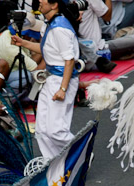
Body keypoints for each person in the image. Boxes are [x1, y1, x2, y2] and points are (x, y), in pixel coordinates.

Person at [12, 0, 80, 159]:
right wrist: (23, 43)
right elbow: (45, 49)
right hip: (51, 79)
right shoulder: (49, 24)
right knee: (42, 129)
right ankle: (54, 162)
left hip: (62, 80)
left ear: (54, 4)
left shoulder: (60, 28)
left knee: (56, 130)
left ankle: (80, 154)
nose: (39, 1)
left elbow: (69, 60)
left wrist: (62, 89)